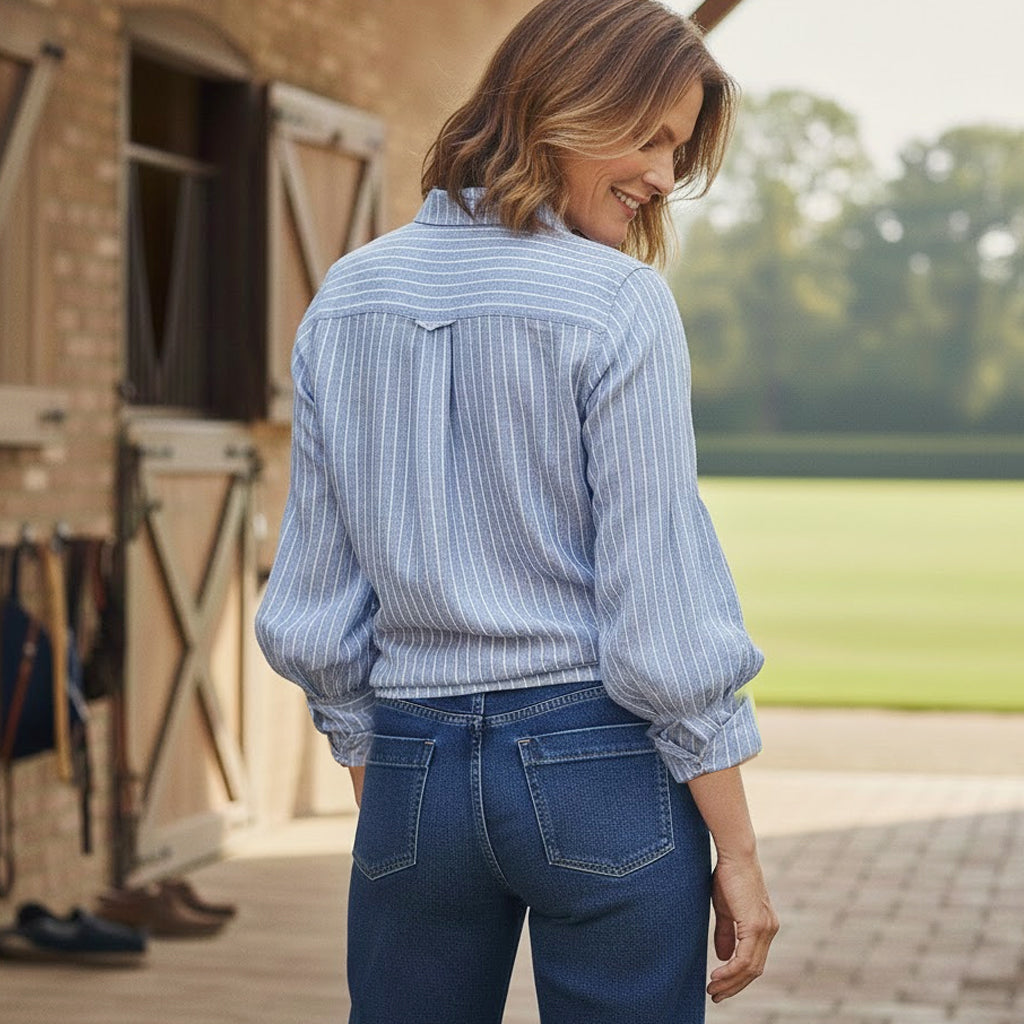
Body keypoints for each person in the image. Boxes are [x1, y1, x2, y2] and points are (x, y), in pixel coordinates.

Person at [255, 0, 779, 1020]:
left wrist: (393, 781)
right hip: (599, 762)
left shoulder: (344, 297)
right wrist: (742, 853)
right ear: (564, 104)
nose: (665, 177)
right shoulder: (618, 304)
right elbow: (660, 617)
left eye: (677, 149)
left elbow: (317, 598)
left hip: (410, 765)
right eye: (651, 137)